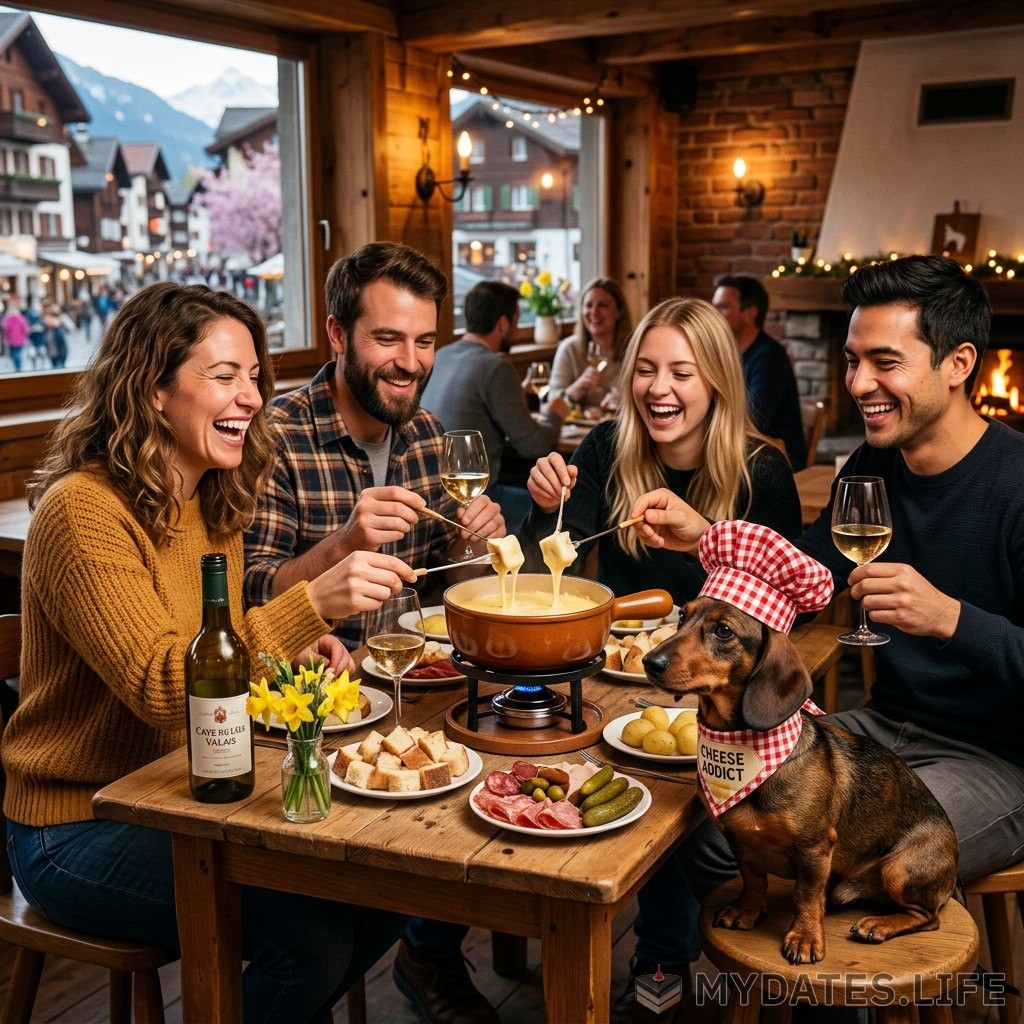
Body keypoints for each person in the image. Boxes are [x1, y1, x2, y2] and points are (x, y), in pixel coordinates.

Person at [2, 281, 417, 1023]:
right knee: (311, 940)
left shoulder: (209, 496)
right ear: (153, 389)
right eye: (223, 376)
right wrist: (310, 603)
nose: (252, 397)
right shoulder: (83, 512)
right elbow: (166, 684)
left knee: (385, 891)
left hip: (181, 791)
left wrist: (293, 654)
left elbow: (219, 647)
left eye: (254, 376)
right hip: (74, 824)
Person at [631, 256, 1024, 988]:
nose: (859, 385)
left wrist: (952, 620)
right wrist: (705, 534)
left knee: (842, 872)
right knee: (706, 832)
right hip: (880, 729)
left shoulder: (1016, 485)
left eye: (885, 362)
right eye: (851, 361)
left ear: (958, 364)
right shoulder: (865, 474)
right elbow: (802, 580)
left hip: (999, 760)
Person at [242, 242, 506, 1024]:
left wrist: (468, 550)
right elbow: (249, 592)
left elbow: (441, 596)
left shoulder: (426, 434)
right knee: (342, 916)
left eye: (424, 341)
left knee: (492, 789)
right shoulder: (276, 436)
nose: (410, 361)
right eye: (388, 339)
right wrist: (339, 549)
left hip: (405, 699)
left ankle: (426, 956)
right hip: (303, 725)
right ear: (337, 335)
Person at [520, 296, 801, 1022]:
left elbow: (778, 612)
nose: (659, 388)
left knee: (680, 800)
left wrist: (708, 534)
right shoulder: (606, 449)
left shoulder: (761, 470)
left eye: (681, 371)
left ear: (716, 382)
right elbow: (552, 575)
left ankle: (659, 961)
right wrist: (542, 508)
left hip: (714, 699)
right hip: (610, 679)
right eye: (645, 369)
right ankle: (457, 943)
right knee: (520, 768)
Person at [421, 280, 570, 532]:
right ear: (503, 324)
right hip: (474, 500)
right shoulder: (496, 367)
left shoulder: (440, 355)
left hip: (431, 495)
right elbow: (534, 445)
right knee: (562, 508)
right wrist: (556, 414)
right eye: (516, 320)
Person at [712, 274, 808, 467]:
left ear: (750, 314)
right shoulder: (730, 355)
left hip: (775, 459)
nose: (714, 314)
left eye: (723, 307)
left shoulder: (770, 356)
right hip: (741, 451)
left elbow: (754, 419)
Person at [548, 276, 632, 413]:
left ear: (619, 312)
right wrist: (574, 391)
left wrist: (622, 401)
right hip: (578, 431)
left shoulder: (634, 349)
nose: (594, 312)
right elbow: (552, 401)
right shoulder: (569, 349)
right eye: (588, 305)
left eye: (602, 305)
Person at [1, 300, 28, 372]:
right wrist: (25, 337)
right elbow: (25, 329)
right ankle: (18, 366)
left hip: (11, 339)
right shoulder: (21, 318)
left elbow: (5, 329)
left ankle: (17, 366)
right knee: (18, 352)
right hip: (20, 339)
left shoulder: (7, 319)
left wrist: (6, 337)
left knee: (14, 353)